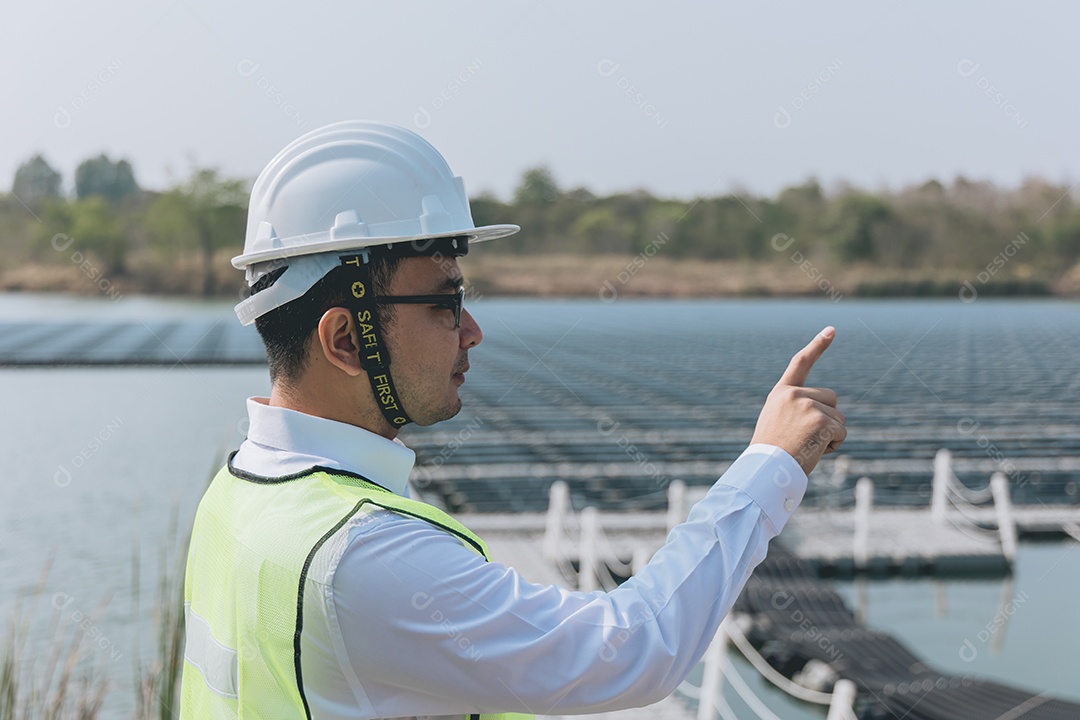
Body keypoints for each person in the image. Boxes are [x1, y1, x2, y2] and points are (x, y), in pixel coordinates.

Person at [179, 120, 846, 720]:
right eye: (444, 304)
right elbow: (631, 649)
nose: (471, 331)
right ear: (347, 341)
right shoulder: (363, 555)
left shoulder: (237, 493)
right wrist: (770, 464)